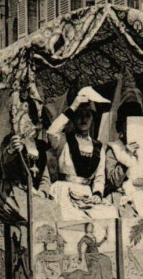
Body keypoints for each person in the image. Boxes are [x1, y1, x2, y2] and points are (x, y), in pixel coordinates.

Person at [47, 87, 118, 220]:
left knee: (109, 214)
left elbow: (99, 177)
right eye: (79, 115)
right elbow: (51, 132)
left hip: (86, 193)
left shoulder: (97, 147)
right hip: (64, 192)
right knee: (72, 219)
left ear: (92, 119)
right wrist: (73, 107)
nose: (84, 119)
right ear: (73, 117)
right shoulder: (64, 140)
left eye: (88, 115)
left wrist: (97, 194)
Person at [0, 100, 60, 222]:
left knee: (54, 208)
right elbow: (5, 167)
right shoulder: (10, 141)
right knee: (32, 210)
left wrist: (42, 192)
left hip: (34, 193)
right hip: (12, 192)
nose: (32, 126)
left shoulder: (40, 146)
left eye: (35, 121)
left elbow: (45, 177)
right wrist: (11, 151)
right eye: (26, 121)